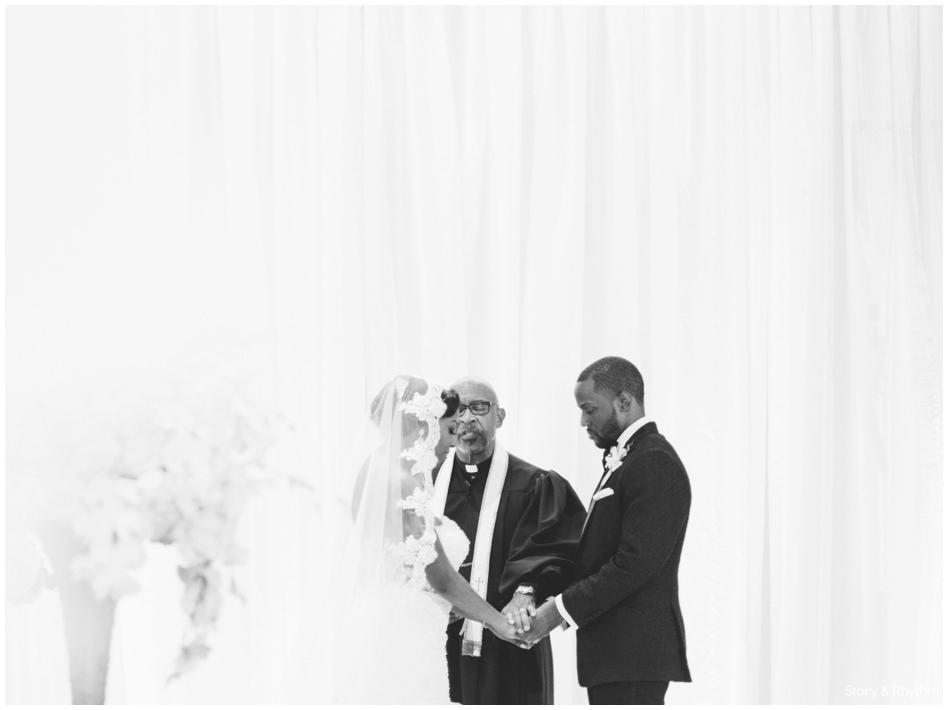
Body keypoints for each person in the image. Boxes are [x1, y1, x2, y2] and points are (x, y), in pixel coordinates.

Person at [334, 376, 521, 704]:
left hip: (379, 617)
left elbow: (390, 559)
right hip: (406, 630)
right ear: (424, 426)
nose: (453, 441)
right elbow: (441, 576)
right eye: (449, 430)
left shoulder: (372, 470)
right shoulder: (404, 481)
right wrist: (500, 623)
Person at [519, 356, 692, 705]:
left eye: (589, 408)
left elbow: (635, 564)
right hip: (618, 657)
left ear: (624, 402)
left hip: (634, 655)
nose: (583, 420)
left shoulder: (653, 460)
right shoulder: (629, 457)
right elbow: (596, 554)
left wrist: (559, 610)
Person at [431, 377, 587, 704]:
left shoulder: (534, 483)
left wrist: (526, 591)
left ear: (499, 417)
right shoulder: (427, 485)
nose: (467, 418)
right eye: (459, 409)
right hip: (437, 639)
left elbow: (557, 550)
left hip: (509, 642)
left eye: (479, 407)